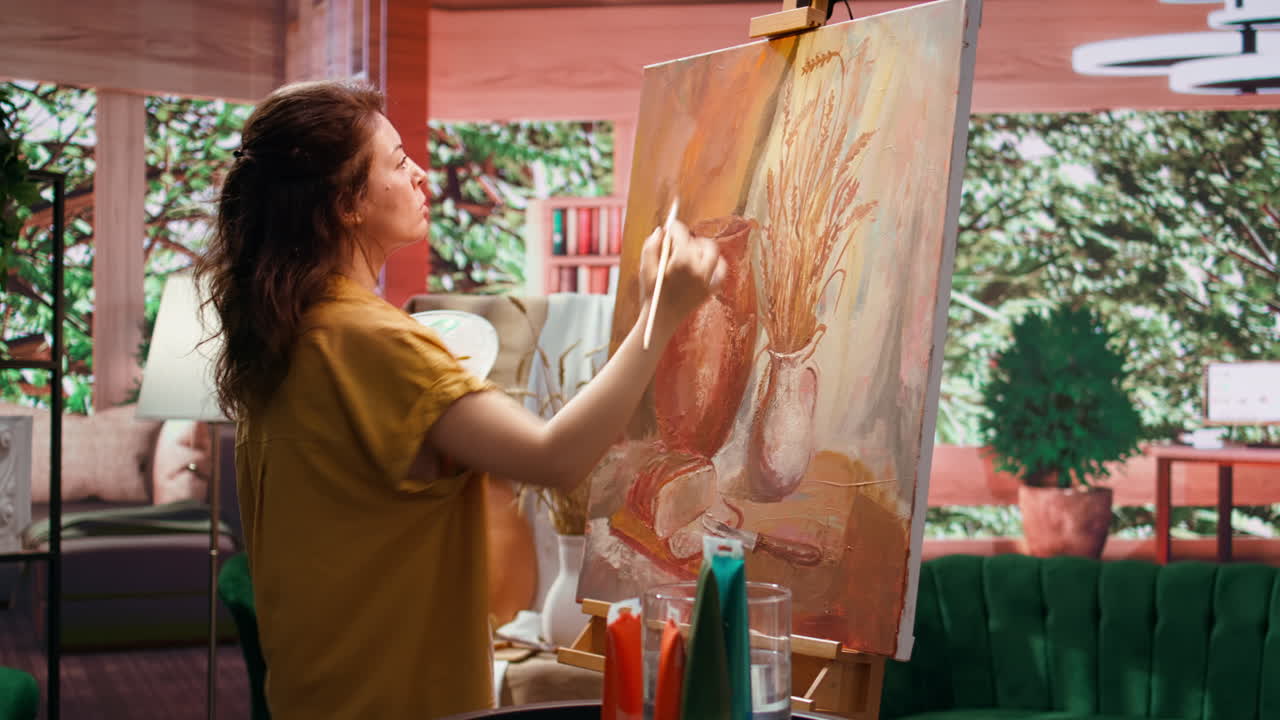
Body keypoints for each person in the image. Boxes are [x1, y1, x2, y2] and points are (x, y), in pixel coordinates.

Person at [195, 79, 725, 719]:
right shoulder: (374, 342)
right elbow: (556, 458)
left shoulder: (294, 333)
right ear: (345, 205)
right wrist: (661, 316)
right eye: (396, 162)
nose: (421, 175)